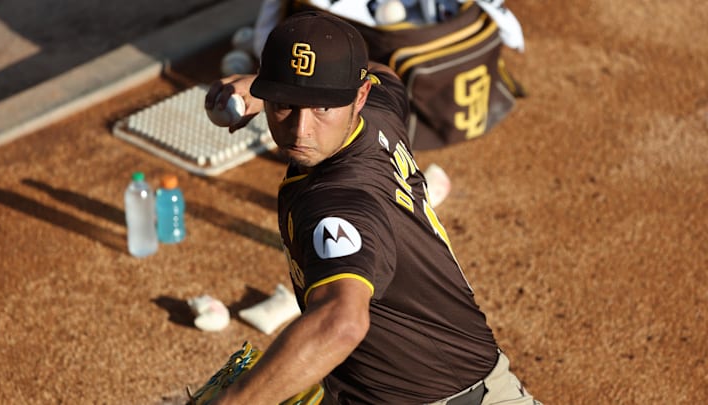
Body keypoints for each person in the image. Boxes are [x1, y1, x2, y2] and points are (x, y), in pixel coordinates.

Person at [204, 11, 540, 405]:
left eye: (321, 108)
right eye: (284, 104)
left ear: (358, 97)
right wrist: (259, 88)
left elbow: (341, 322)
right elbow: (386, 74)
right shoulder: (377, 113)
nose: (300, 130)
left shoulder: (337, 201)